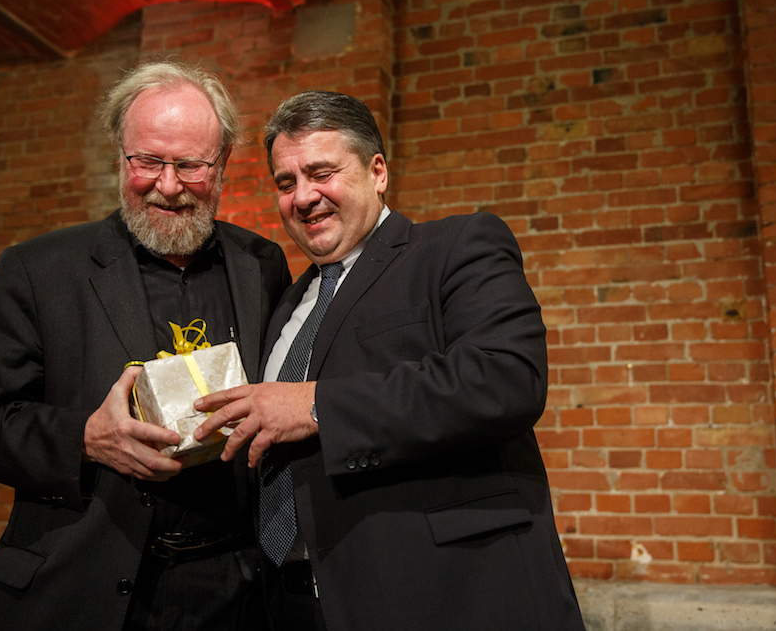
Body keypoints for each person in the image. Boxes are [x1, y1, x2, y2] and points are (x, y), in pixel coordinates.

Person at [194, 91, 585, 630]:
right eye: (286, 183)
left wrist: (314, 406)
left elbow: (506, 379)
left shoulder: (456, 246)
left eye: (321, 172)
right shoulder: (287, 303)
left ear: (377, 171)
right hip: (299, 601)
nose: (303, 197)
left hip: (448, 594)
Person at [0, 61, 291, 631]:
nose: (169, 185)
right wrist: (87, 440)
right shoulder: (39, 268)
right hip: (78, 588)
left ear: (222, 164)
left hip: (232, 590)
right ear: (120, 155)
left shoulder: (262, 264)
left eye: (191, 165)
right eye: (147, 161)